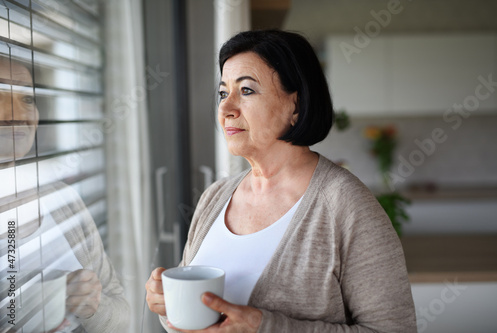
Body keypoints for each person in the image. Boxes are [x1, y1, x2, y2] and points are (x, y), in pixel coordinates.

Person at [145, 29, 417, 332]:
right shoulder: (215, 196)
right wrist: (169, 307)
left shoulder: (346, 205)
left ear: (296, 105)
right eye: (223, 93)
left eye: (246, 91)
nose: (225, 108)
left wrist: (264, 327)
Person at [0, 56, 129, 332]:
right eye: (0, 95)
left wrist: (93, 307)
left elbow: (122, 314)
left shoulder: (63, 200)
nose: (17, 114)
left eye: (27, 99)